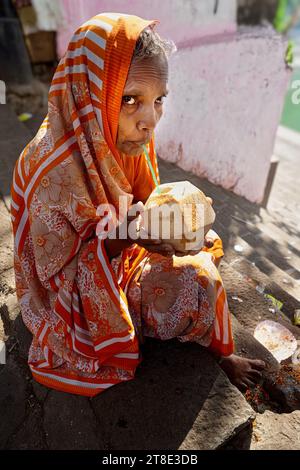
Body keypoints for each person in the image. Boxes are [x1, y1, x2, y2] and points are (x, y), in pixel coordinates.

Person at [11, 12, 265, 397]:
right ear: (91, 92)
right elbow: (54, 279)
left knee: (200, 242)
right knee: (198, 282)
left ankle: (217, 349)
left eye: (158, 99)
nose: (150, 120)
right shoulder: (49, 172)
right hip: (68, 299)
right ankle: (201, 348)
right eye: (130, 99)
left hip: (119, 256)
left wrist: (173, 220)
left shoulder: (119, 136)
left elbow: (145, 206)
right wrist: (128, 237)